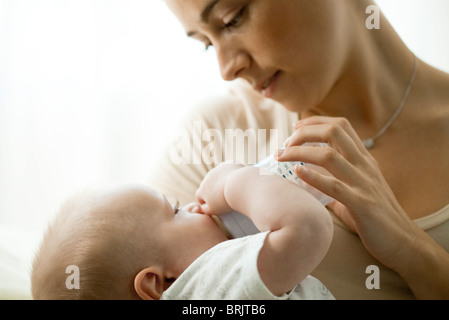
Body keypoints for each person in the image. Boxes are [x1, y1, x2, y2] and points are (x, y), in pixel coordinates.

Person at [150, 0, 449, 299]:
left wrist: (411, 250)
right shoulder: (211, 139)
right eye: (206, 43)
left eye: (232, 18)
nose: (226, 69)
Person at [31, 162, 334, 300]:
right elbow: (307, 229)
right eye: (175, 211)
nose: (192, 207)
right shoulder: (206, 288)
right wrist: (235, 182)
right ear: (159, 283)